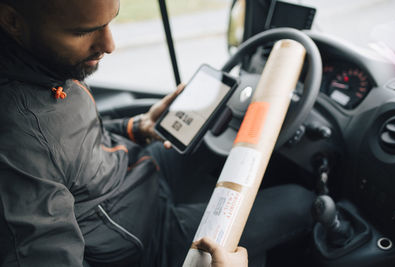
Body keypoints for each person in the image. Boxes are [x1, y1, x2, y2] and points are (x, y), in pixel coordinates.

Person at [0, 0, 315, 266]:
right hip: (148, 237)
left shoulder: (45, 68)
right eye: (83, 32)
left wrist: (137, 128)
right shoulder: (17, 144)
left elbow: (69, 144)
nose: (109, 45)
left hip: (137, 171)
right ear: (12, 21)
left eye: (110, 22)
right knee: (302, 201)